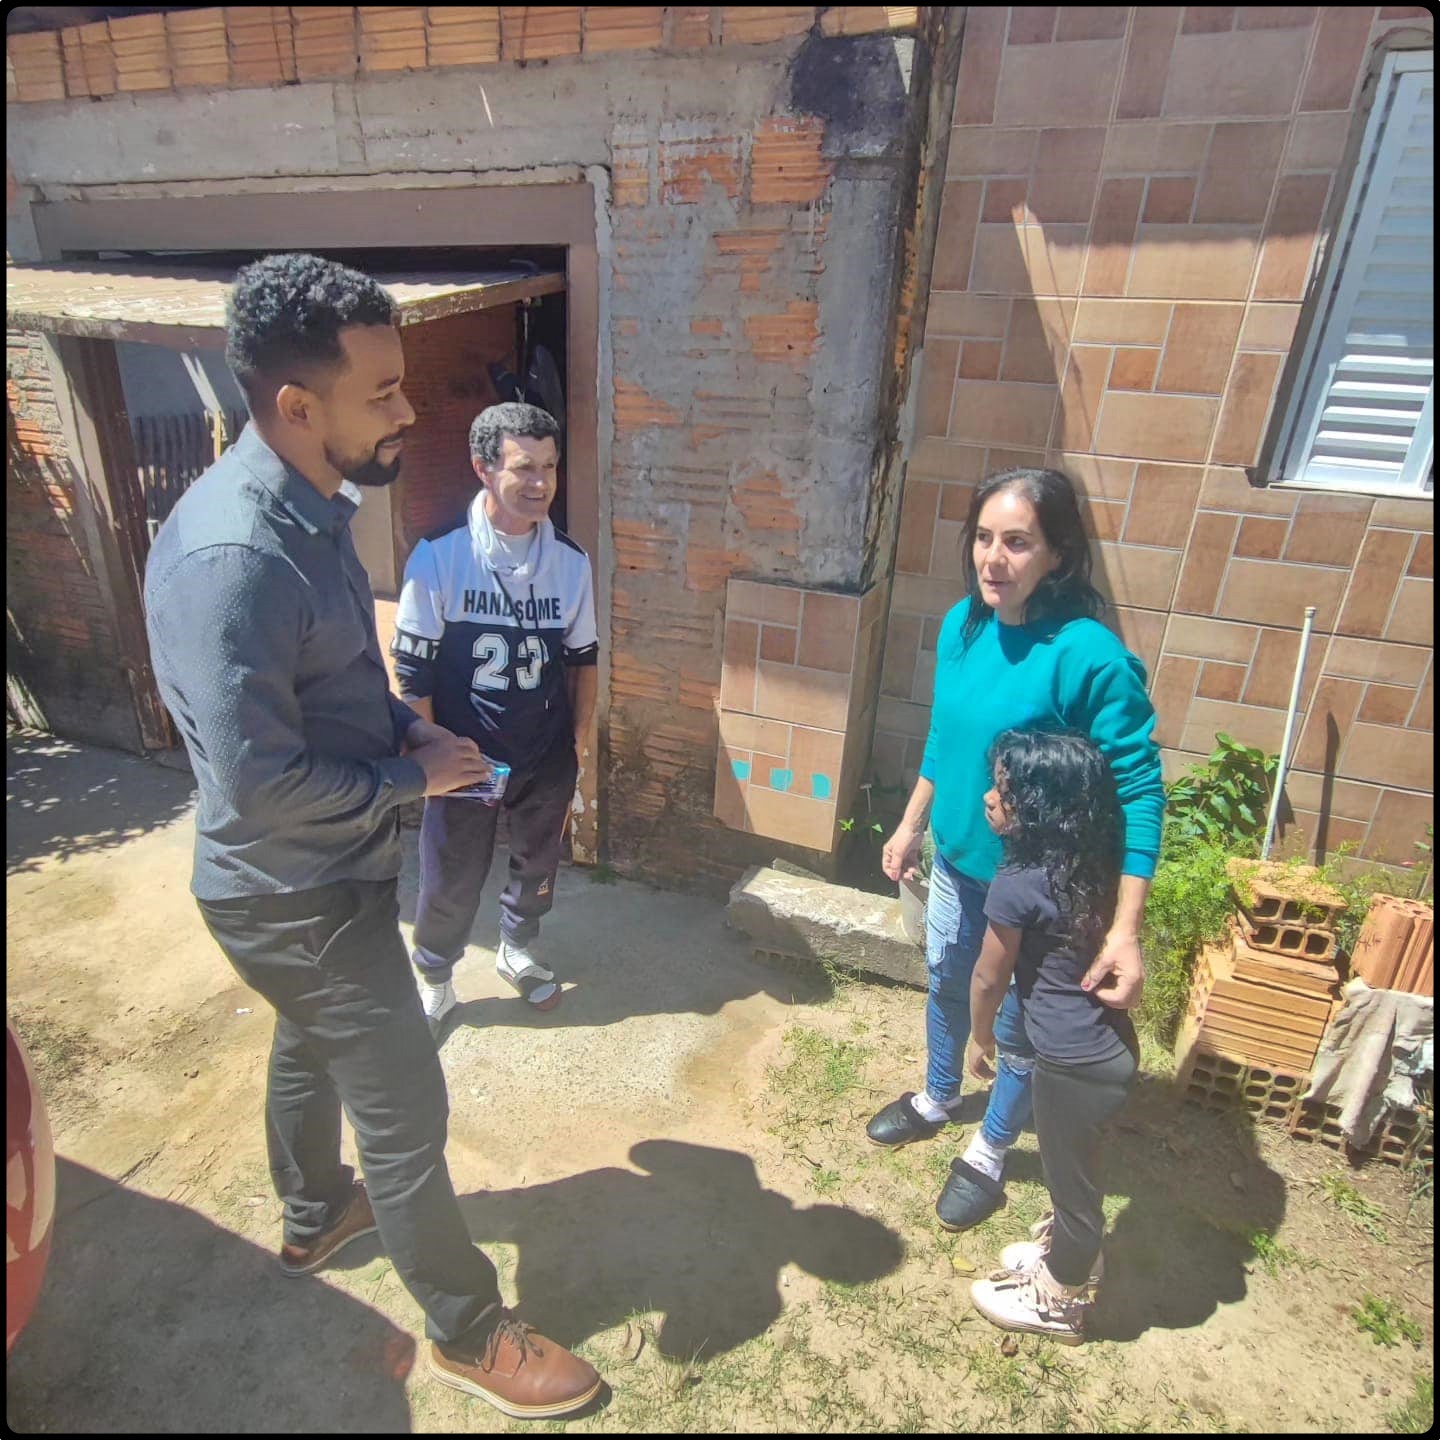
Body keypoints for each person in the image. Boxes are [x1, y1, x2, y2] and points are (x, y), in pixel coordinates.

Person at [143, 253, 602, 1419]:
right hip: (290, 889)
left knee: (312, 1047)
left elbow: (341, 685)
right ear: (298, 408)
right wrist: (408, 778)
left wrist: (408, 734)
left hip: (325, 875)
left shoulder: (311, 514)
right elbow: (252, 786)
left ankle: (312, 1216)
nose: (408, 410)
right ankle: (468, 1330)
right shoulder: (237, 558)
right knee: (404, 1104)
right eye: (384, 392)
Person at [869, 467, 1164, 1233]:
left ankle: (991, 1150)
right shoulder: (963, 626)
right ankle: (938, 1095)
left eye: (1018, 543)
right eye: (984, 539)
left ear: (1059, 556)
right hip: (959, 863)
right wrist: (910, 825)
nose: (993, 560)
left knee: (1017, 1026)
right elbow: (945, 736)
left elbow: (1139, 791)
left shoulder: (1088, 657)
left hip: (1049, 894)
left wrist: (1123, 929)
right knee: (946, 980)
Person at [391, 402, 598, 1037]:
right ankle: (436, 979)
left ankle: (517, 949)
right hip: (468, 759)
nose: (541, 483)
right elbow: (412, 677)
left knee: (537, 864)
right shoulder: (440, 558)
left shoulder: (570, 561)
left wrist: (580, 746)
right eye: (524, 467)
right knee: (451, 876)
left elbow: (584, 663)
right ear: (482, 468)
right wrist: (434, 756)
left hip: (543, 754)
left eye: (551, 467)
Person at [965, 729, 1137, 1344]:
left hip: (1072, 1064)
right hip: (1107, 1047)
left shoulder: (1018, 886)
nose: (989, 798)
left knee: (1074, 1189)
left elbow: (989, 977)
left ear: (1040, 808)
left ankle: (1060, 1298)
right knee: (1078, 1170)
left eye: (1005, 792)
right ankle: (1066, 1252)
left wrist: (979, 1038)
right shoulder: (1093, 864)